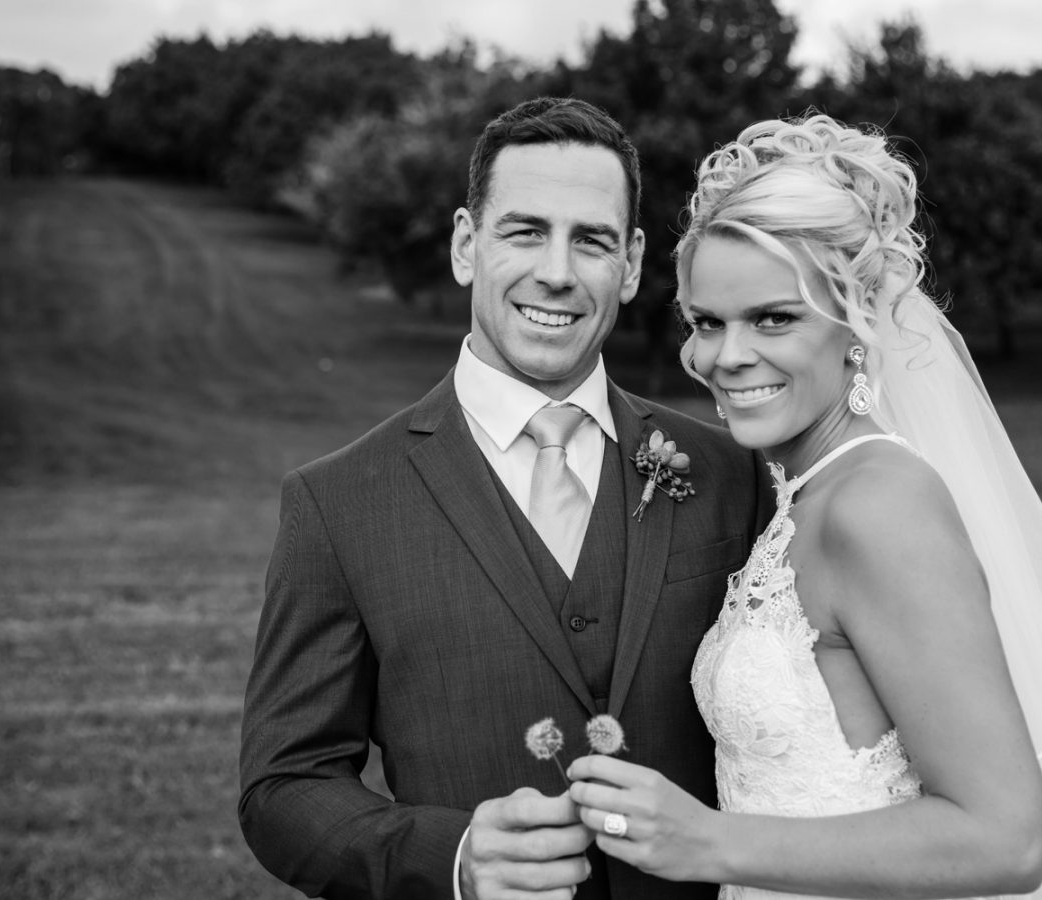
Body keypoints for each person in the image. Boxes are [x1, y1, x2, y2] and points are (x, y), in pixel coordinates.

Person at [567, 114, 1042, 899]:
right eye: (706, 323)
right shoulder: (805, 493)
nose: (728, 356)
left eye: (774, 318)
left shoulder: (879, 504)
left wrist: (712, 843)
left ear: (854, 319)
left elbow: (1006, 839)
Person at [238, 97, 771, 900]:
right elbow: (283, 787)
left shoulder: (734, 473)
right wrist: (452, 859)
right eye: (525, 231)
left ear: (630, 265)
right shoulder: (337, 504)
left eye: (591, 240)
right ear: (466, 245)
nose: (557, 271)